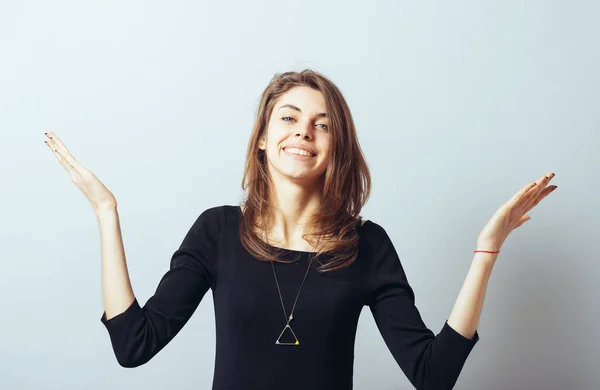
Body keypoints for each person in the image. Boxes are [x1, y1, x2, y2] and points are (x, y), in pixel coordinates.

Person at [44, 69, 557, 390]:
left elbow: (433, 374)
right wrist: (106, 213)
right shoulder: (217, 232)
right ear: (263, 139)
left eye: (322, 123)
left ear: (337, 145)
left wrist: (486, 251)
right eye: (288, 118)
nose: (303, 132)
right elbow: (134, 345)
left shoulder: (367, 245)